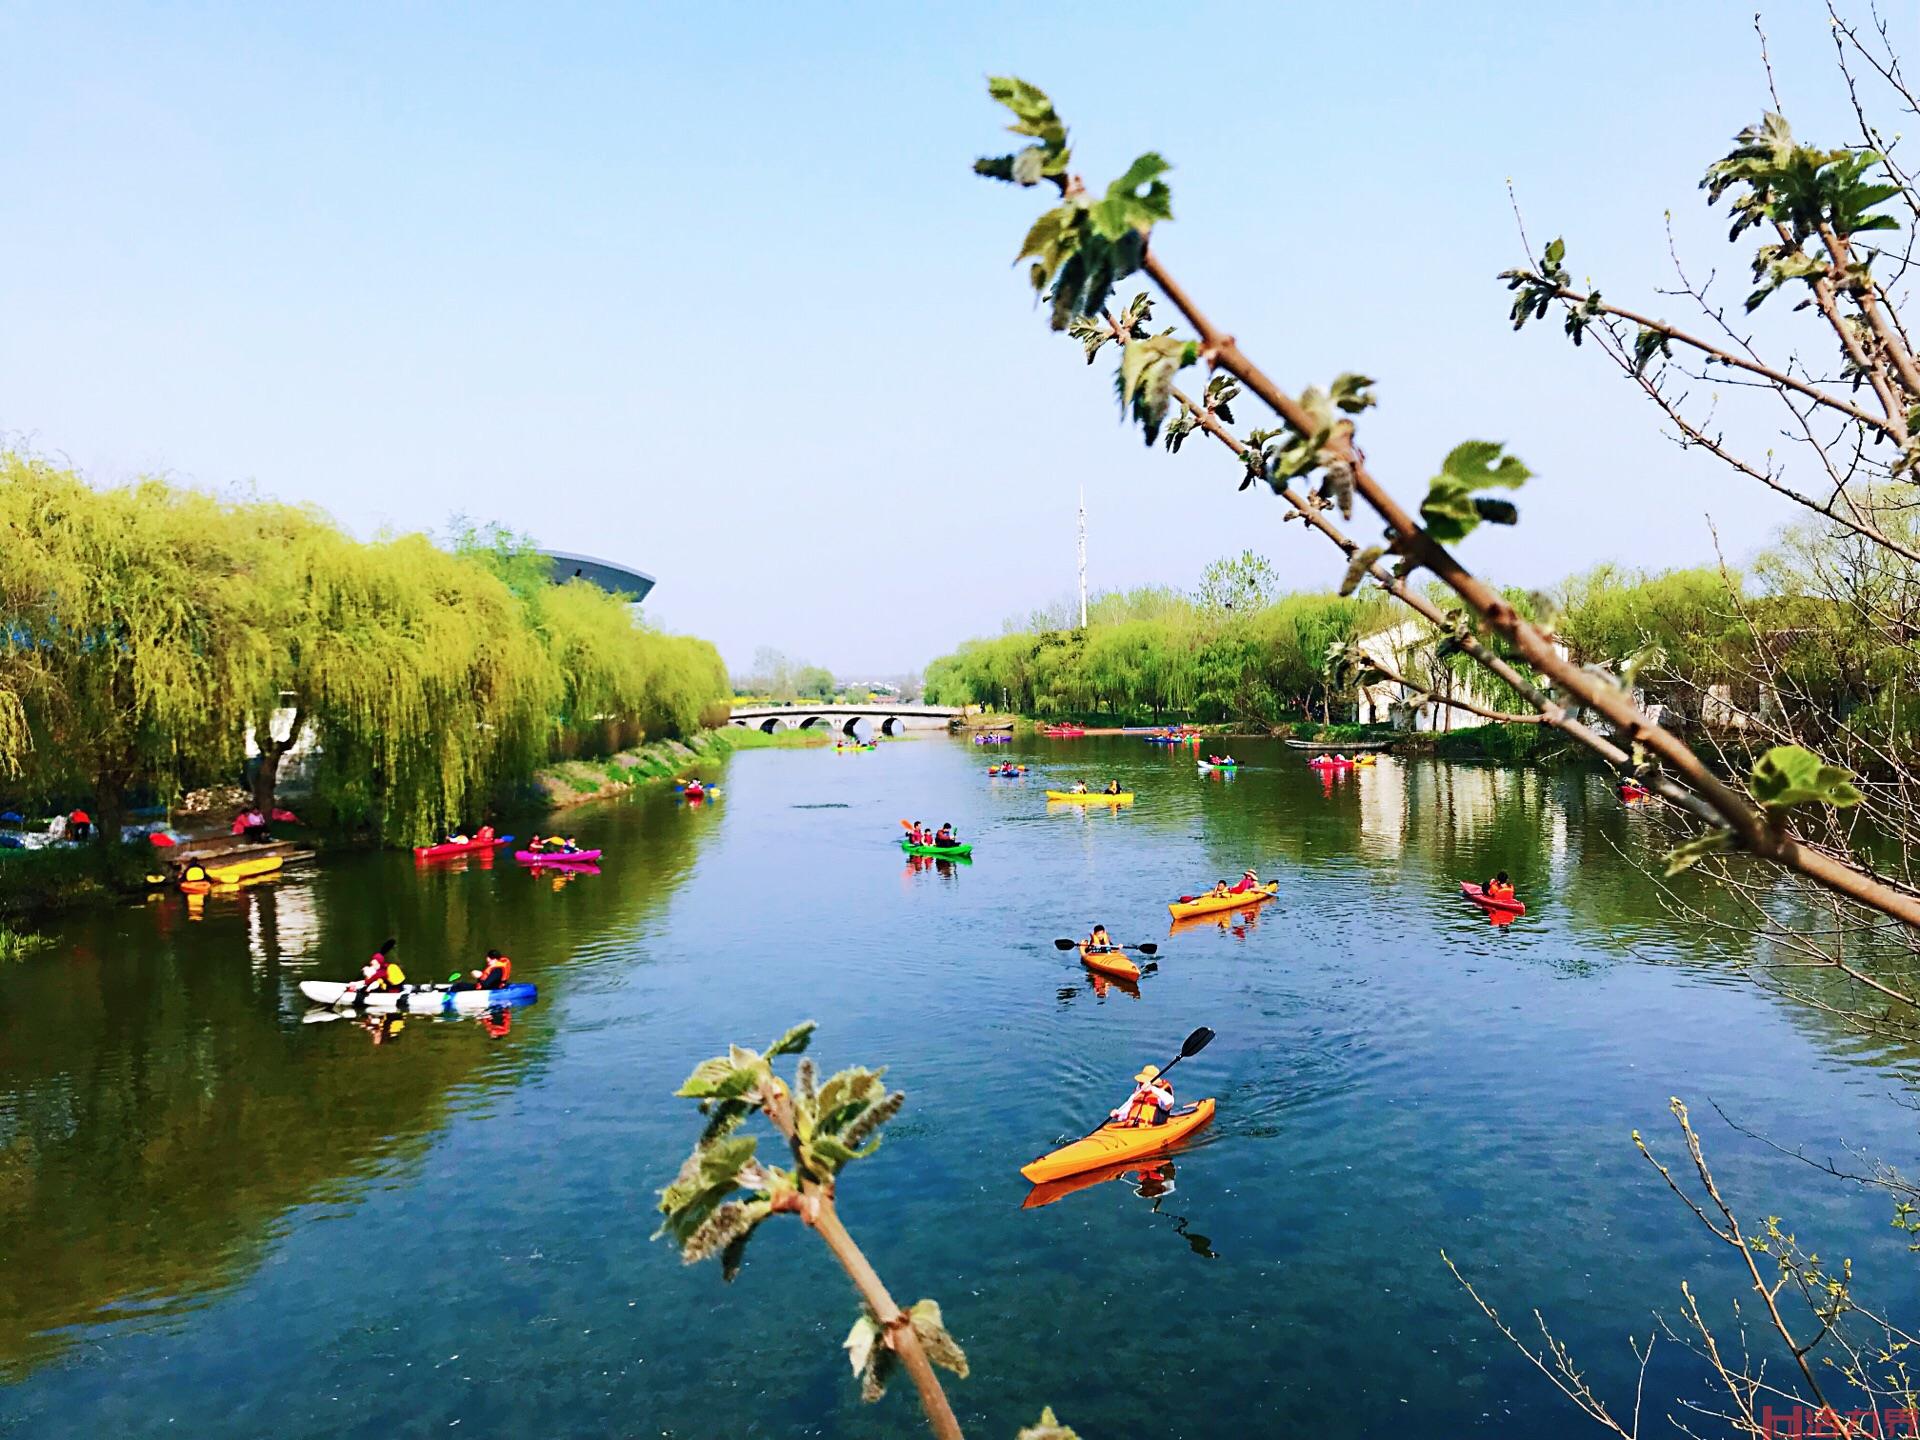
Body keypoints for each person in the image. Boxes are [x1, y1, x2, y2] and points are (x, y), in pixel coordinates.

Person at [1110, 1064, 1175, 1128]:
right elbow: (1125, 1113)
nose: (1141, 1084)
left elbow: (1170, 1102)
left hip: (1151, 1130)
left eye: (1144, 1082)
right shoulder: (1136, 1094)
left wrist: (1152, 1088)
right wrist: (1117, 1114)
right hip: (1132, 1129)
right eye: (1141, 1082)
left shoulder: (1160, 1096)